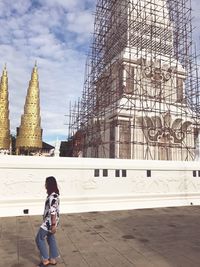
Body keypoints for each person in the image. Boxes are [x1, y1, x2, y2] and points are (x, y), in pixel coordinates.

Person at [35, 176, 60, 267]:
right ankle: (52, 259)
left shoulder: (52, 197)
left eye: (46, 183)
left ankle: (45, 260)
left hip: (49, 222)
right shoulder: (55, 195)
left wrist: (53, 225)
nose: (45, 185)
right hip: (52, 221)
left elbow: (53, 212)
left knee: (39, 238)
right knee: (50, 238)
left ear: (49, 184)